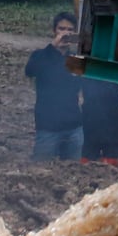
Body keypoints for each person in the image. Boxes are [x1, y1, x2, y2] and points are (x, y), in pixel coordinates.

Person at [26, 12, 84, 161]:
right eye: (61, 29)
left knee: (73, 174)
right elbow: (30, 70)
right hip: (47, 128)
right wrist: (53, 47)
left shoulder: (75, 60)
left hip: (74, 128)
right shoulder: (42, 55)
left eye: (70, 30)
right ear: (54, 31)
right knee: (40, 172)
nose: (65, 33)